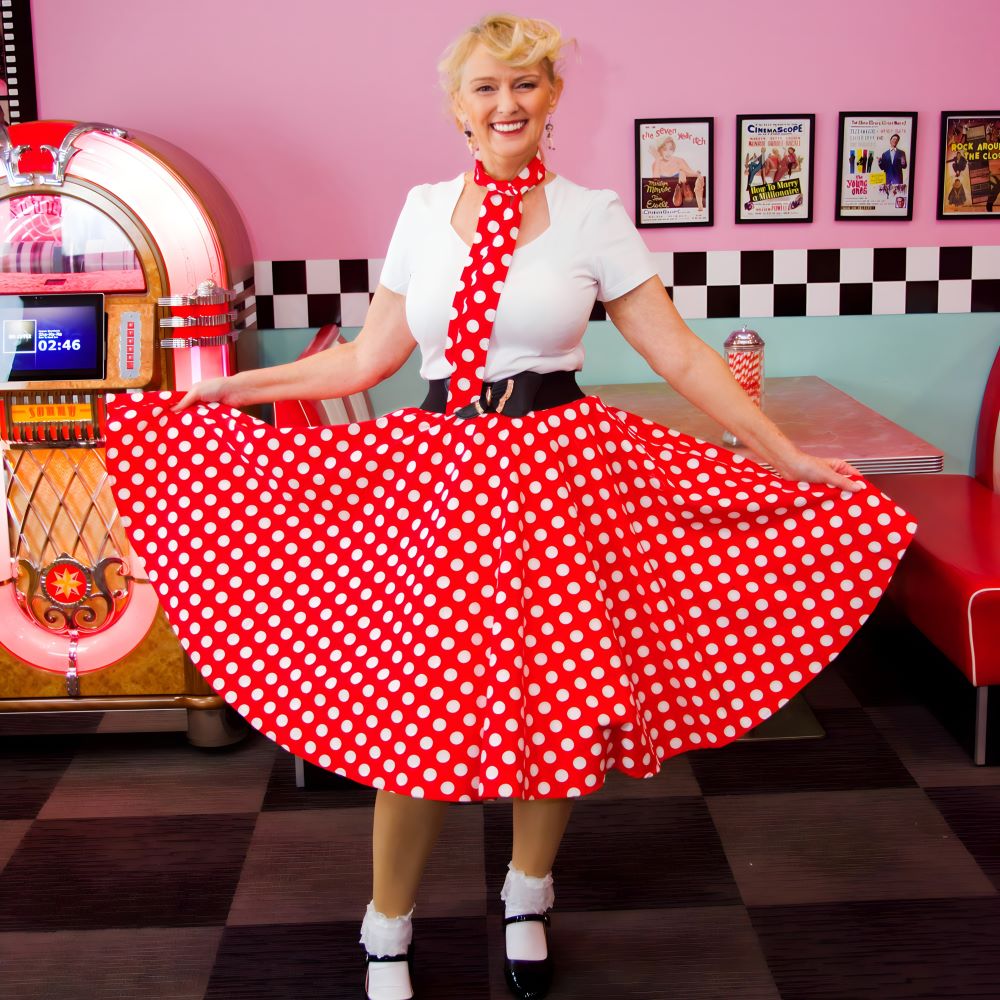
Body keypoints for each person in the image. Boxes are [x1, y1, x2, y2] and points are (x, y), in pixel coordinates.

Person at [104, 14, 915, 1000]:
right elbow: (369, 359)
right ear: (457, 105)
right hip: (445, 479)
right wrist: (225, 392)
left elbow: (681, 355)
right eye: (487, 87)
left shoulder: (592, 216)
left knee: (558, 698)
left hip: (564, 471)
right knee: (415, 718)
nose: (507, 105)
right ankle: (386, 924)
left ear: (552, 99)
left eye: (526, 85)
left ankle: (527, 890)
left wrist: (784, 454)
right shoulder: (418, 210)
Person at [650, 136, 705, 210]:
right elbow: (655, 181)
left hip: (681, 190)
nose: (668, 152)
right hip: (665, 195)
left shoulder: (678, 161)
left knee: (683, 173)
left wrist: (687, 173)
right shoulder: (656, 163)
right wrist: (657, 160)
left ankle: (683, 188)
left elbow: (691, 173)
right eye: (665, 149)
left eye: (671, 149)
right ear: (660, 150)